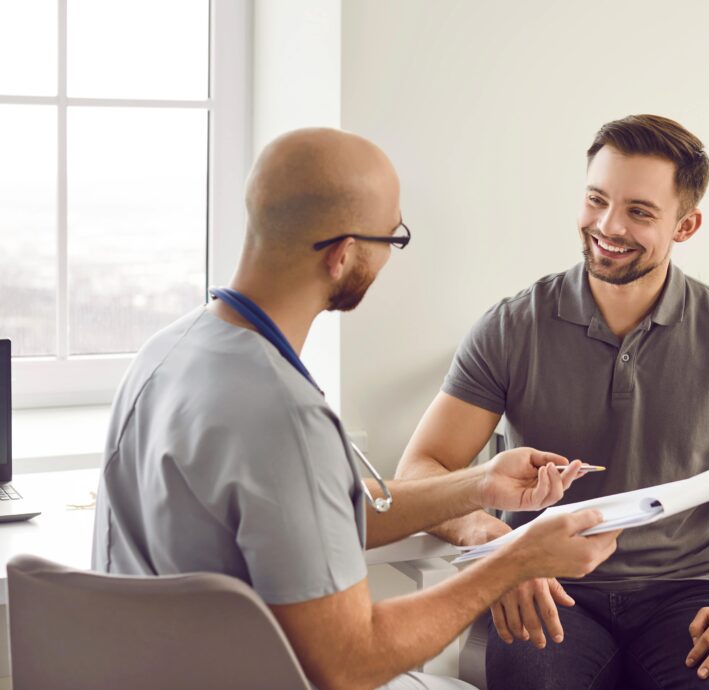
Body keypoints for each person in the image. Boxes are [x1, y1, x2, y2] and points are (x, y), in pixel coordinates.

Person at [91, 127, 621, 690]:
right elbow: (348, 663)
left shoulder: (171, 350)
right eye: (393, 238)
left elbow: (310, 513)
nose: (391, 255)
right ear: (343, 255)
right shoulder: (283, 416)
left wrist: (479, 484)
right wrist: (516, 560)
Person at [396, 114, 709, 689]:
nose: (607, 225)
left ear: (686, 225)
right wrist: (498, 547)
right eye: (597, 200)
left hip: (688, 593)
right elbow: (422, 470)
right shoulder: (511, 327)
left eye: (639, 212)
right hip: (546, 584)